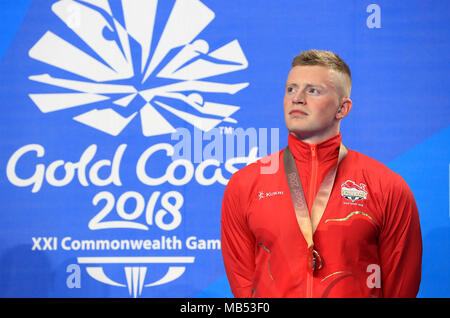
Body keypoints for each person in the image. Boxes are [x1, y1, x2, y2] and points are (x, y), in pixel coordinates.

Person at [220, 49, 422, 298]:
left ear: (342, 108)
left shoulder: (386, 185)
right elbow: (244, 285)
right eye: (291, 89)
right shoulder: (245, 184)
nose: (297, 98)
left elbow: (401, 287)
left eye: (312, 90)